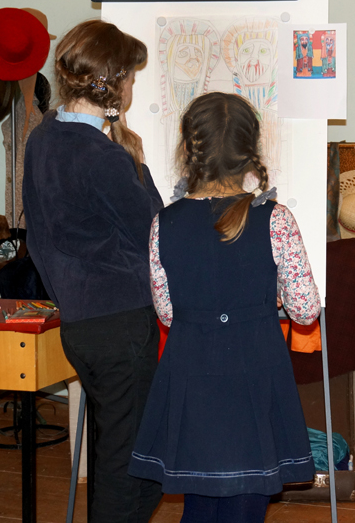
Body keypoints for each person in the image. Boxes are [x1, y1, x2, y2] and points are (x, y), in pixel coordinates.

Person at [129, 91, 320, 523]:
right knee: (248, 498)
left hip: (192, 371)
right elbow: (306, 310)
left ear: (188, 149)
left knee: (199, 499)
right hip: (255, 371)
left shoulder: (164, 222)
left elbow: (167, 312)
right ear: (250, 152)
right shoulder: (276, 219)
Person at [23, 19, 164, 522]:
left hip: (81, 324)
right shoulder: (103, 156)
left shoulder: (43, 139)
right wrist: (137, 164)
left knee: (116, 450)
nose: (132, 88)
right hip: (121, 324)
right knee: (129, 463)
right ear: (114, 84)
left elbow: (41, 236)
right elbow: (156, 233)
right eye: (131, 78)